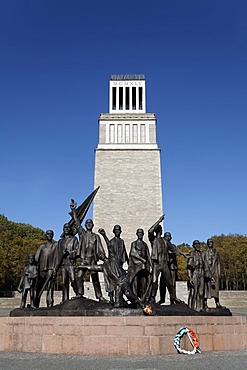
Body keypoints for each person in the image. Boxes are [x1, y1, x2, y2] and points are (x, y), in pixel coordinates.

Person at [70, 200, 106, 302]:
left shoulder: (96, 237)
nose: (89, 224)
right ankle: (80, 293)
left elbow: (100, 249)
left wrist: (104, 258)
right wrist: (73, 211)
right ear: (85, 225)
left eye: (90, 223)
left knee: (95, 279)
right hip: (84, 260)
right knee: (79, 275)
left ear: (93, 225)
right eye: (87, 223)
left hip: (92, 260)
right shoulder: (82, 234)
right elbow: (77, 223)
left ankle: (99, 296)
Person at [98, 225, 129, 306]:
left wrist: (128, 262)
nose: (117, 231)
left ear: (120, 231)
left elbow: (124, 252)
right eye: (116, 230)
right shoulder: (111, 241)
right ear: (114, 231)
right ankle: (112, 298)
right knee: (111, 281)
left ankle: (119, 299)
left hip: (119, 264)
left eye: (118, 230)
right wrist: (104, 235)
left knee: (121, 282)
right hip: (113, 264)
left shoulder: (121, 241)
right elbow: (109, 245)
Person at [56, 223, 79, 302]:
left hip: (71, 263)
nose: (66, 229)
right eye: (65, 227)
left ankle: (78, 294)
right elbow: (58, 254)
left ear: (70, 229)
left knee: (73, 280)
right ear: (63, 229)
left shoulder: (74, 239)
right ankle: (64, 299)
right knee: (64, 282)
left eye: (68, 228)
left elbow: (77, 250)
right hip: (63, 264)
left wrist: (69, 253)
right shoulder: (60, 241)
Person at [35, 229, 57, 307]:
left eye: (51, 234)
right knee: (38, 287)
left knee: (50, 289)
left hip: (51, 269)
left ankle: (50, 305)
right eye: (48, 234)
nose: (49, 235)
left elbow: (57, 258)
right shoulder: (42, 246)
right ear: (46, 235)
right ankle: (35, 304)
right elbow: (36, 258)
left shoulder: (55, 246)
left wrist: (55, 269)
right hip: (42, 270)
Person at [128, 228, 152, 300]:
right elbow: (132, 253)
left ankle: (143, 299)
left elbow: (148, 255)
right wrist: (141, 259)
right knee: (135, 283)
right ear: (137, 234)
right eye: (139, 233)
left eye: (141, 233)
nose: (140, 234)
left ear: (143, 234)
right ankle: (135, 299)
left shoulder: (145, 244)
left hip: (144, 267)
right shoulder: (134, 243)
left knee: (143, 283)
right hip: (136, 266)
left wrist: (151, 265)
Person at [187, 240, 210, 311]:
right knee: (193, 292)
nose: (197, 246)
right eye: (196, 244)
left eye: (198, 244)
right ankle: (191, 308)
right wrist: (190, 277)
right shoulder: (192, 254)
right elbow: (189, 267)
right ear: (193, 246)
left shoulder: (203, 254)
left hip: (202, 273)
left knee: (201, 292)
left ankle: (200, 308)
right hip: (195, 273)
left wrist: (210, 276)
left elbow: (206, 266)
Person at [202, 238, 222, 309]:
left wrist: (219, 273)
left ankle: (217, 303)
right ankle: (205, 303)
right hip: (207, 272)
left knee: (215, 289)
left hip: (215, 272)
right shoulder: (203, 253)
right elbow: (203, 264)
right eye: (209, 242)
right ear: (207, 244)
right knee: (206, 288)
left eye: (211, 242)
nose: (210, 243)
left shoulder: (216, 253)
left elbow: (218, 263)